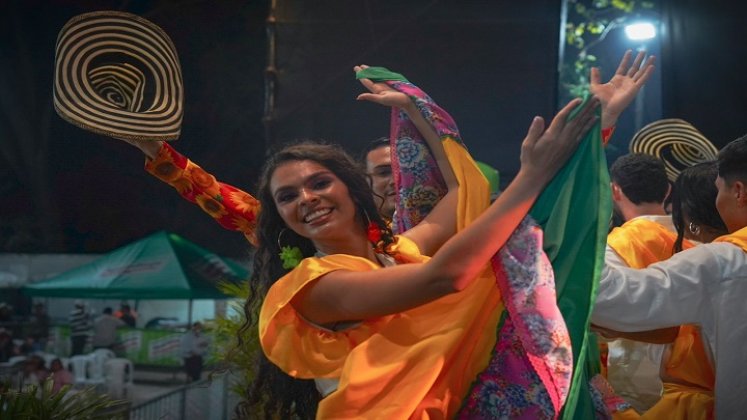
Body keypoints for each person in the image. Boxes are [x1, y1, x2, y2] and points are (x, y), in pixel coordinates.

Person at [592, 136, 747, 417]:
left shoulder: (725, 262)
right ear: (666, 192)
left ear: (738, 191)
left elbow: (604, 298)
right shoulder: (709, 249)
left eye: (718, 190)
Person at [602, 153, 673, 411]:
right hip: (692, 373)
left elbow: (609, 315)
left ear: (614, 191)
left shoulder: (616, 246)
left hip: (634, 375)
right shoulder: (696, 236)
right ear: (667, 191)